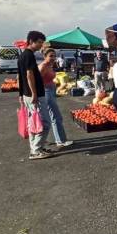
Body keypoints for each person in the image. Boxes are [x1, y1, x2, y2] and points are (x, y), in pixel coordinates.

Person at [18, 31, 53, 159]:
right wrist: (34, 94)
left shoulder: (23, 55)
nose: (40, 45)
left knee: (34, 122)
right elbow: (28, 75)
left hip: (27, 94)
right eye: (39, 42)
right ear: (31, 41)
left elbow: (19, 77)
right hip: (35, 95)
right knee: (44, 123)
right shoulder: (29, 56)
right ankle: (36, 150)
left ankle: (37, 147)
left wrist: (21, 94)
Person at [38, 48, 73, 148]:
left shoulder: (50, 65)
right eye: (51, 56)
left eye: (54, 55)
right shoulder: (43, 66)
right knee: (56, 116)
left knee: (54, 116)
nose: (53, 58)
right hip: (46, 92)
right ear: (45, 56)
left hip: (51, 90)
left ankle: (58, 139)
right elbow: (37, 82)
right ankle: (60, 140)